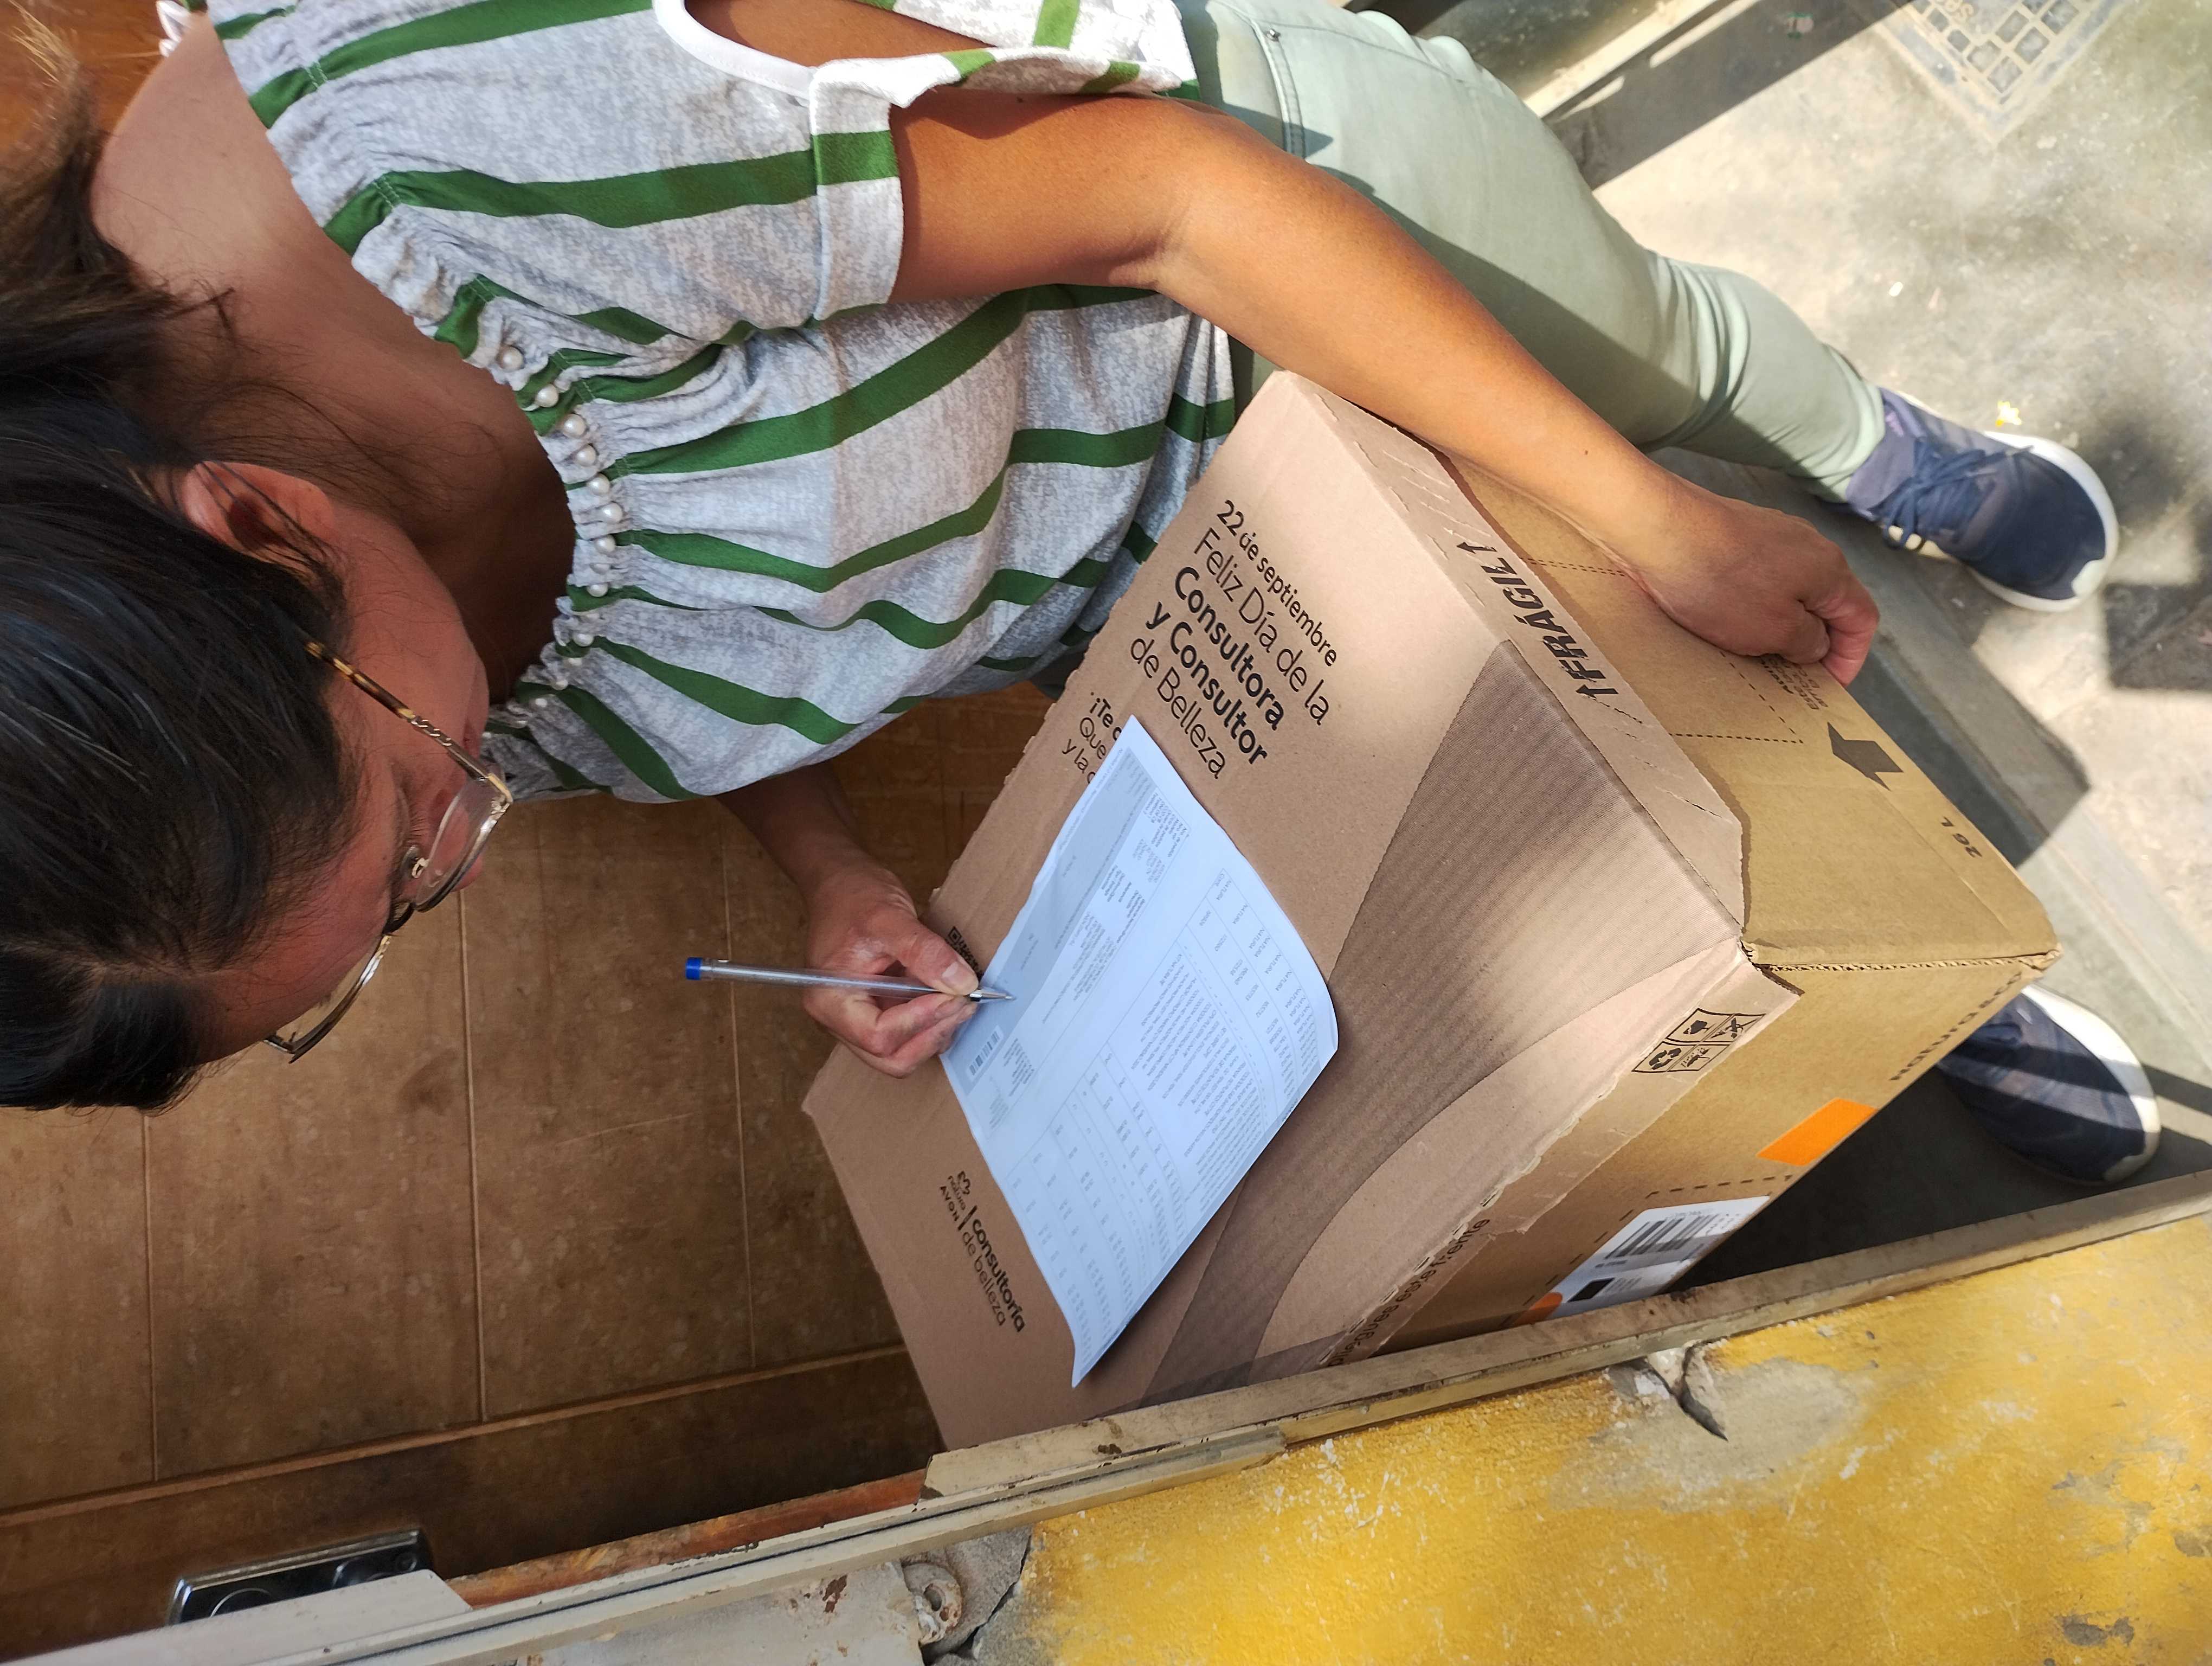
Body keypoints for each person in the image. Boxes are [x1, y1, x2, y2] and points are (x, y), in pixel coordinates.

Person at [0, 0, 2127, 1152]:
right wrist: (831, 873)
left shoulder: (446, 132)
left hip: (1263, 254)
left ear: (262, 528)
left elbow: (1172, 203)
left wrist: (1651, 512)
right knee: (1601, 791)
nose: (468, 836)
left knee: (1647, 383)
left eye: (415, 827)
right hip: (1137, 565)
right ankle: (1868, 968)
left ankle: (1861, 437)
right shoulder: (314, 691)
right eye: (393, 921)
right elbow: (634, 679)